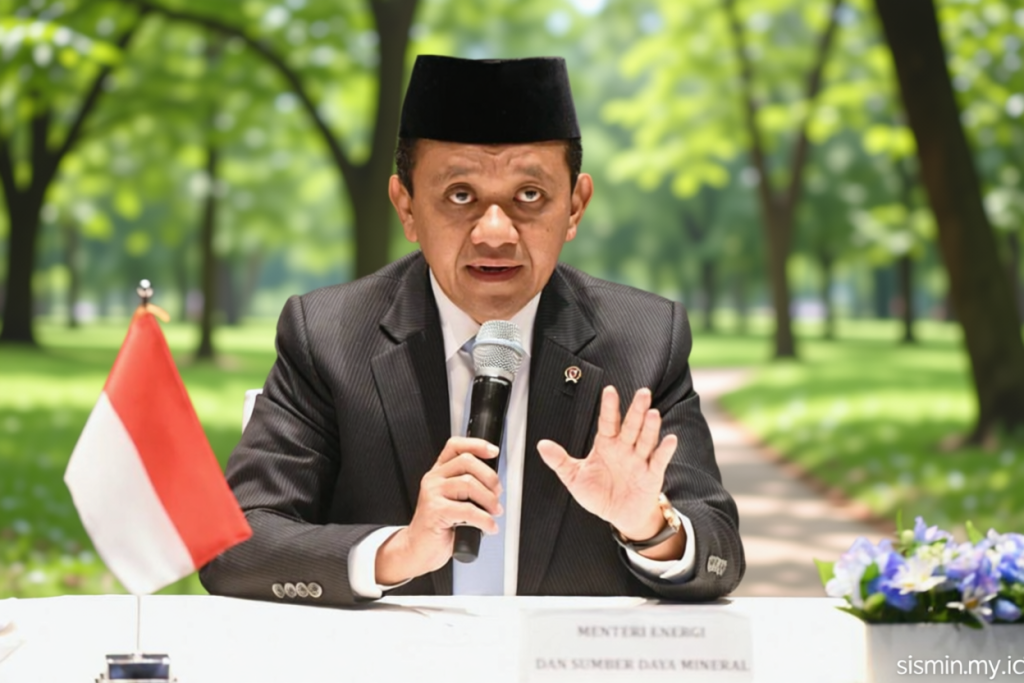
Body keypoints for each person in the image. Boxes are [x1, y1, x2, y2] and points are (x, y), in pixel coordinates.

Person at [200, 55, 744, 606]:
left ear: (575, 206)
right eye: (461, 196)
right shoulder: (328, 337)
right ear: (406, 206)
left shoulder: (645, 340)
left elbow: (719, 553)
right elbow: (235, 545)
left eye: (529, 196)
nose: (495, 233)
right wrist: (398, 551)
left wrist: (650, 527)